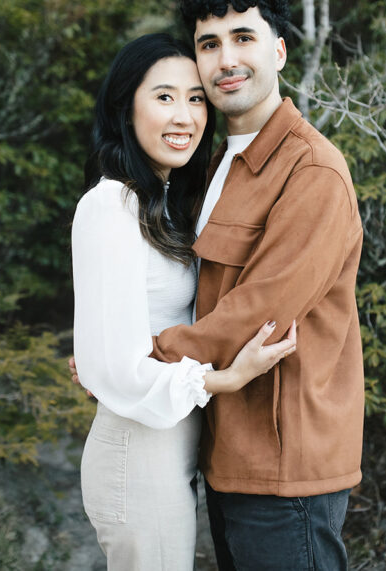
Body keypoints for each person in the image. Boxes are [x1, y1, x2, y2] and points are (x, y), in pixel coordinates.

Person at [146, 0, 365, 570]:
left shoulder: (312, 171)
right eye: (208, 44)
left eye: (243, 38)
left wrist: (145, 357)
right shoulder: (217, 164)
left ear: (280, 51)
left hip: (285, 465)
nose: (226, 59)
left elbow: (258, 311)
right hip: (227, 451)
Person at [71, 32, 297, 571]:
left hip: (167, 449)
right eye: (164, 97)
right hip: (136, 455)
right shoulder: (111, 204)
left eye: (196, 98)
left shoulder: (165, 204)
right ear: (126, 108)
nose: (184, 116)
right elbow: (119, 368)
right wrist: (227, 378)